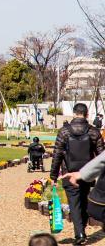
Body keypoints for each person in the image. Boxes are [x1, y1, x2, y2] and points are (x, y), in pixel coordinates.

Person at [50, 103, 104, 245]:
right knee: (84, 200)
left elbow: (57, 155)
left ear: (74, 114)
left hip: (68, 172)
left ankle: (79, 233)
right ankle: (82, 228)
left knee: (74, 203)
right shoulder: (94, 132)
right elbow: (101, 155)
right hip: (87, 172)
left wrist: (53, 176)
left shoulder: (64, 131)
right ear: (87, 114)